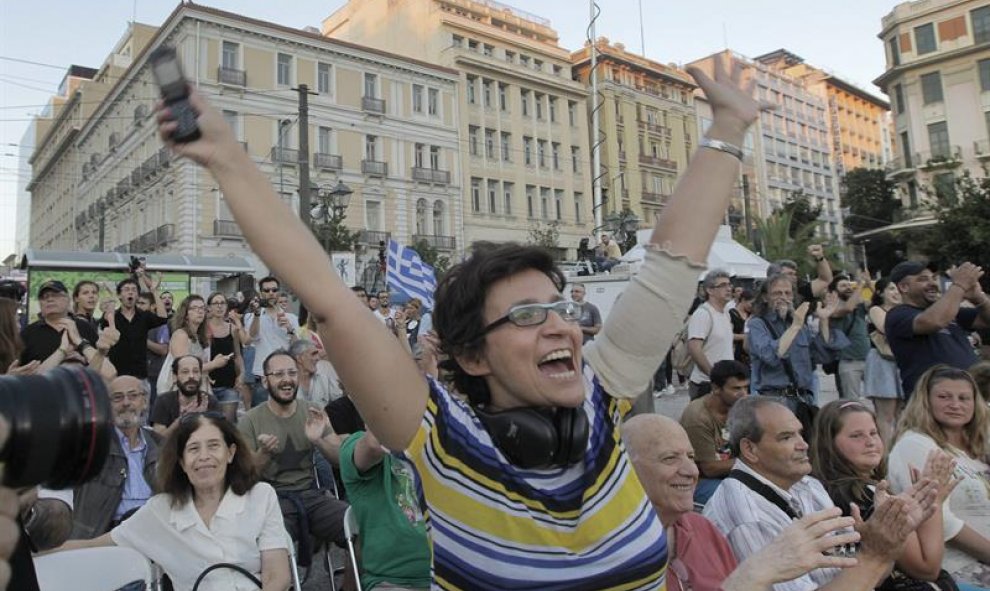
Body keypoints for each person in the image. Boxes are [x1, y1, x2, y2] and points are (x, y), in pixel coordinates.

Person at [159, 52, 761, 589]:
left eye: (560, 311)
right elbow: (331, 301)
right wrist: (229, 159)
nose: (561, 328)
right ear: (472, 356)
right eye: (528, 316)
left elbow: (671, 265)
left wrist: (728, 127)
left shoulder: (603, 403)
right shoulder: (438, 440)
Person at [704, 396, 937, 591]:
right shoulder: (749, 517)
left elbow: (853, 567)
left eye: (800, 434)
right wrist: (875, 553)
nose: (803, 444)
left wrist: (882, 540)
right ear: (750, 449)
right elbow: (916, 567)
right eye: (786, 437)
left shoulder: (807, 484)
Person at [624, 414, 873, 591]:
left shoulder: (701, 529)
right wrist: (877, 554)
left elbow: (842, 557)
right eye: (670, 459)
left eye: (691, 456)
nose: (691, 470)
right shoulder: (608, 548)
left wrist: (867, 545)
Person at [56, 413, 291, 591]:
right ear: (181, 461)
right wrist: (27, 552)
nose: (204, 457)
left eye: (213, 446)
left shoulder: (261, 496)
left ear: (230, 453)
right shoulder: (161, 510)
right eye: (193, 449)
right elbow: (95, 545)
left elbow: (278, 576)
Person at [811, 399, 963, 591]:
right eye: (856, 436)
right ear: (829, 444)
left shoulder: (844, 488)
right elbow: (926, 567)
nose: (870, 442)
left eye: (874, 433)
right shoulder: (859, 495)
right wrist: (934, 501)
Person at [237, 350, 349, 567]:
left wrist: (319, 442)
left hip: (312, 497)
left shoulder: (312, 412)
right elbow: (244, 477)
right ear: (265, 381)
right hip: (271, 502)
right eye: (278, 374)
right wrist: (264, 454)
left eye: (291, 373)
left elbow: (339, 459)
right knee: (270, 546)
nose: (287, 379)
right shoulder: (250, 421)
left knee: (359, 526)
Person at [887, 365, 990, 588]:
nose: (955, 404)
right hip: (958, 569)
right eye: (944, 397)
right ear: (926, 400)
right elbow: (939, 517)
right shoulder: (916, 444)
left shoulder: (977, 447)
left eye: (964, 398)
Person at [747, 274, 847, 434]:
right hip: (774, 400)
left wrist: (824, 320)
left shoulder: (799, 325)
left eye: (787, 293)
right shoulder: (758, 324)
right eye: (777, 293)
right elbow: (770, 356)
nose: (783, 298)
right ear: (765, 297)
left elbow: (822, 356)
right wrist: (795, 326)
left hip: (803, 399)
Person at [339, 430, 431, 590]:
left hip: (457, 575)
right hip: (394, 582)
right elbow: (374, 444)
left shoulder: (439, 448)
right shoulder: (355, 445)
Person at [71, 376, 159, 539]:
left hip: (155, 530)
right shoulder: (92, 444)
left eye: (133, 396)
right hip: (107, 534)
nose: (126, 403)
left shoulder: (159, 444)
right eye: (117, 397)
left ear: (145, 402)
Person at [886, 261, 989, 396]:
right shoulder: (898, 314)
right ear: (904, 287)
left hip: (969, 395)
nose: (933, 283)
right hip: (931, 401)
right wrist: (959, 285)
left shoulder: (951, 312)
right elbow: (935, 321)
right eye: (923, 279)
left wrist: (978, 298)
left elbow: (986, 320)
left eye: (934, 278)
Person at [679, 359, 749, 505]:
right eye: (736, 389)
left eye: (745, 388)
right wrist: (756, 459)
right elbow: (709, 468)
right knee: (741, 499)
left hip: (731, 472)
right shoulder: (697, 418)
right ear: (716, 389)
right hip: (698, 481)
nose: (744, 394)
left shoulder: (739, 407)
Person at [162, 295, 233, 395]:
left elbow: (199, 366)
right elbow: (184, 367)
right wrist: (214, 364)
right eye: (194, 308)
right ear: (185, 313)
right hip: (179, 391)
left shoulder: (198, 336)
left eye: (202, 308)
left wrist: (215, 363)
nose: (199, 311)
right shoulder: (181, 335)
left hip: (195, 388)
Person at [102, 276, 168, 381]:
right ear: (120, 295)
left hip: (140, 375)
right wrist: (113, 296)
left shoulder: (144, 316)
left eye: (134, 290)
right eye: (126, 290)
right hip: (116, 376)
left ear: (137, 296)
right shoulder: (113, 316)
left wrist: (154, 291)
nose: (130, 292)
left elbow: (162, 318)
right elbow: (106, 320)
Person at [865, 277, 904, 443]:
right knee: (885, 414)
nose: (896, 293)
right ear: (880, 293)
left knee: (903, 412)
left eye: (897, 289)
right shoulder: (876, 310)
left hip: (902, 361)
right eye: (891, 289)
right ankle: (886, 455)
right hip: (882, 361)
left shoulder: (905, 310)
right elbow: (885, 328)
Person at [686, 269, 735, 399]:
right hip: (706, 385)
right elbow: (694, 348)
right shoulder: (703, 314)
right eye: (723, 285)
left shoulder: (725, 313)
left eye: (729, 284)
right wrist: (713, 376)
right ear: (709, 290)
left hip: (723, 384)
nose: (729, 288)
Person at [246, 277, 299, 396]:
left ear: (278, 292)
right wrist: (257, 314)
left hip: (286, 375)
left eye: (274, 290)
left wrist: (290, 329)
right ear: (261, 293)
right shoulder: (252, 316)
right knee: (261, 413)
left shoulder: (291, 318)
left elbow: (297, 347)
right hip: (263, 374)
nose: (271, 293)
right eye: (267, 290)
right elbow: (252, 337)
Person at [150, 355, 221, 439]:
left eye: (196, 371)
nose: (191, 376)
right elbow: (157, 439)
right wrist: (181, 421)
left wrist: (202, 420)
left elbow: (218, 437)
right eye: (185, 372)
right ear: (175, 377)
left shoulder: (211, 401)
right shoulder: (164, 400)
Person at [205, 292, 246, 421]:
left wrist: (241, 374)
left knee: (229, 423)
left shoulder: (232, 328)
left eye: (222, 303)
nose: (219, 307)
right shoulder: (203, 329)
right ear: (209, 307)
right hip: (207, 383)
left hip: (229, 383)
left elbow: (237, 355)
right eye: (215, 303)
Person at [829, 275, 870, 400]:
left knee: (881, 397)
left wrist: (870, 285)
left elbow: (878, 302)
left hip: (868, 359)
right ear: (834, 292)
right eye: (843, 286)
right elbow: (848, 308)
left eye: (848, 285)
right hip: (848, 361)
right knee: (851, 402)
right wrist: (861, 286)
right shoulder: (833, 308)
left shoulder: (859, 306)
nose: (848, 288)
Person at [766, 243, 833, 304]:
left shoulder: (801, 289)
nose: (794, 277)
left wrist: (820, 257)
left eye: (794, 274)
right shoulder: (763, 293)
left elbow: (825, 280)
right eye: (789, 274)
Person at [288, 339, 342, 408]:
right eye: (313, 354)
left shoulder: (325, 381)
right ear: (299, 358)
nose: (317, 358)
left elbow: (341, 405)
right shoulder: (287, 385)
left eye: (317, 354)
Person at [729, 287, 753, 365]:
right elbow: (729, 335)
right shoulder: (731, 314)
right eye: (751, 303)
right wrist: (745, 336)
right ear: (743, 300)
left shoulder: (751, 315)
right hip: (735, 353)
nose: (752, 306)